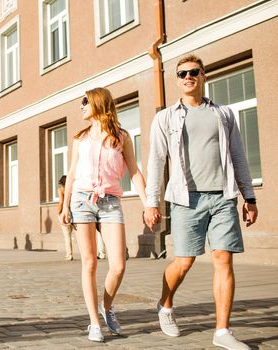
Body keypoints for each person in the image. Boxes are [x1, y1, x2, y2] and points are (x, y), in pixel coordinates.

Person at [144, 54, 258, 350]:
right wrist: (151, 202)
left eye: (194, 72)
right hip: (185, 199)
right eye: (182, 73)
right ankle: (165, 304)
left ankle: (222, 331)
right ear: (177, 79)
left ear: (203, 76)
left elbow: (238, 156)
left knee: (223, 259)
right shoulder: (166, 117)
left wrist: (249, 196)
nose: (188, 77)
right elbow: (156, 161)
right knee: (184, 261)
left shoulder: (224, 114)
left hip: (222, 197)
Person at [60, 87, 149, 342]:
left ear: (99, 102)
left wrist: (147, 203)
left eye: (85, 101)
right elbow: (72, 174)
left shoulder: (121, 137)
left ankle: (107, 306)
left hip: (110, 202)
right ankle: (94, 323)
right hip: (81, 200)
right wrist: (65, 206)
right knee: (89, 262)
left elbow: (134, 171)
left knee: (118, 265)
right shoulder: (80, 138)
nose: (81, 106)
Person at [57, 175, 74, 261]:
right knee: (78, 235)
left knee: (67, 235)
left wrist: (58, 212)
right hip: (74, 212)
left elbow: (61, 202)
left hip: (65, 212)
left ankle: (69, 254)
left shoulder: (61, 190)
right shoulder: (73, 189)